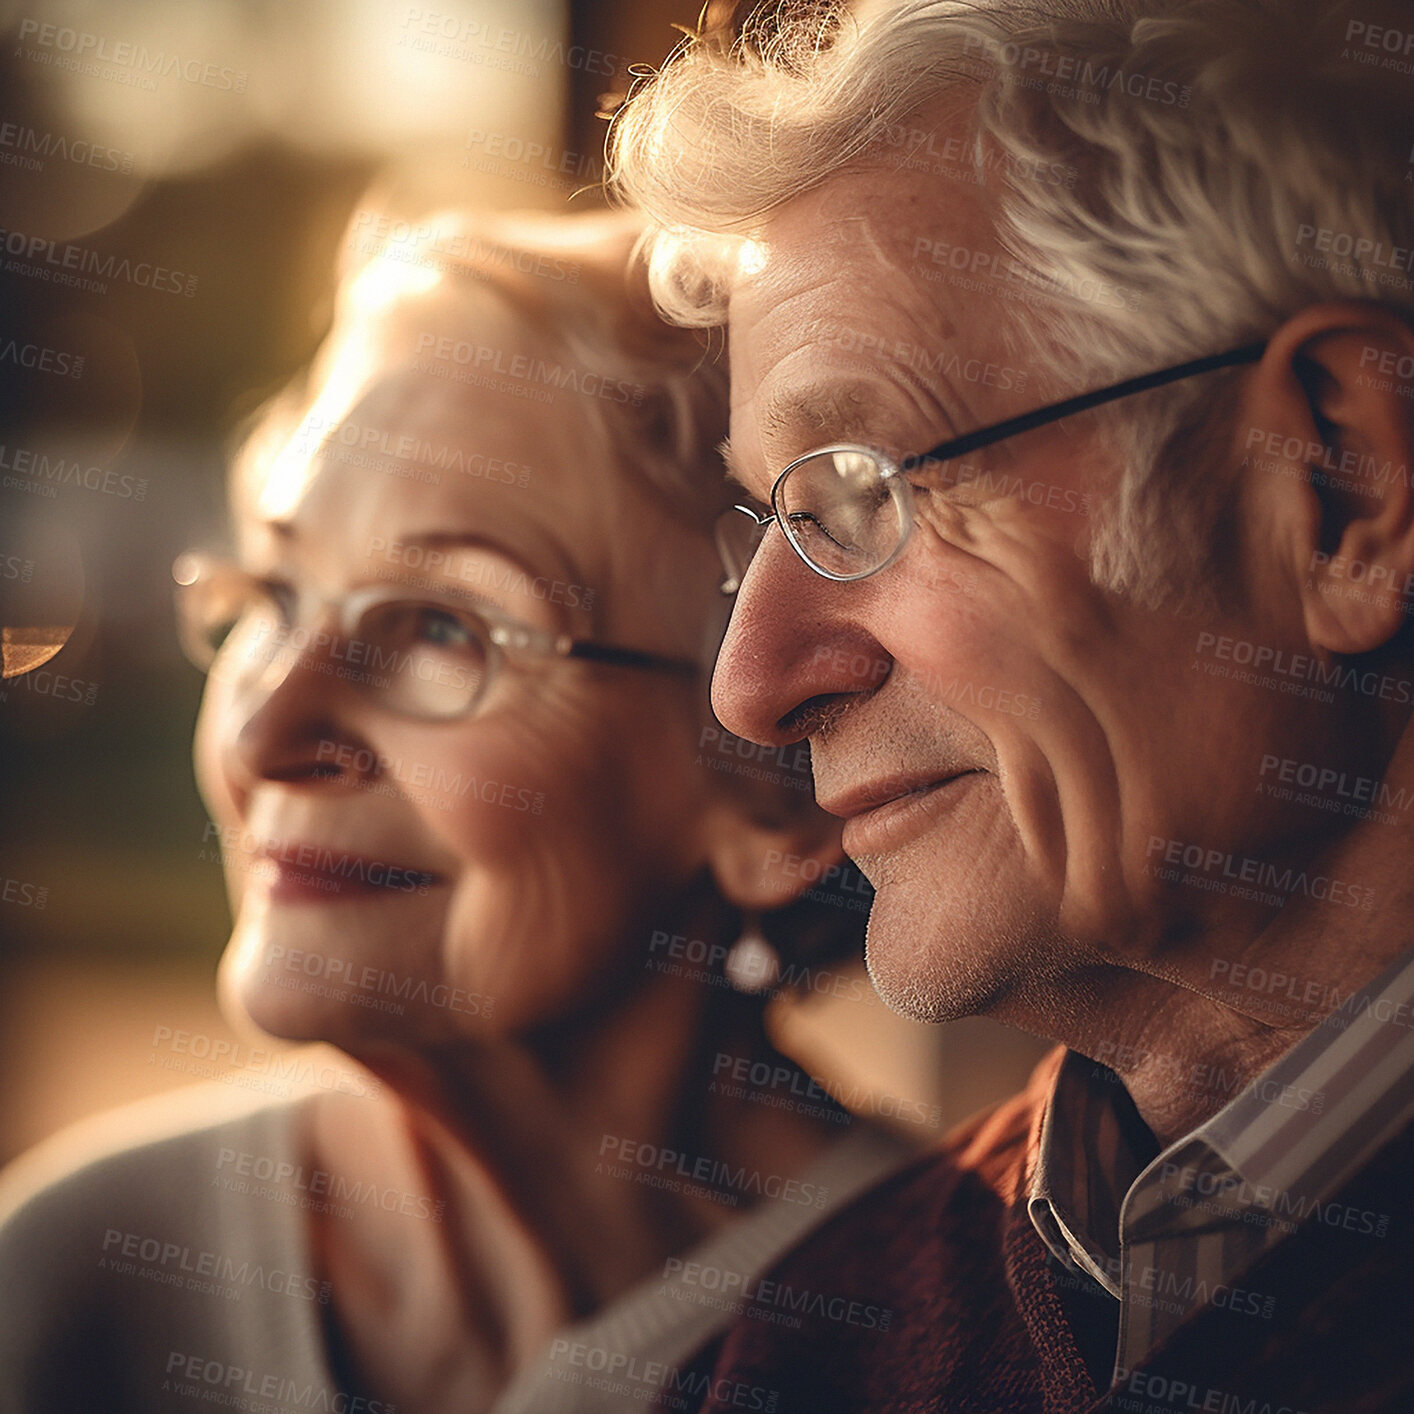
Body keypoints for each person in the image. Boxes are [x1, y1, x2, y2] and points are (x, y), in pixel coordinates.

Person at [609, 0, 1414, 1408]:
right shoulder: (813, 1340)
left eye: (860, 492)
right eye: (771, 521)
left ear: (1335, 486)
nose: (751, 686)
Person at [0, 209, 913, 1414]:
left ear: (772, 791)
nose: (268, 734)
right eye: (272, 595)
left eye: (444, 628)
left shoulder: (951, 1335)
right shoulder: (80, 1272)